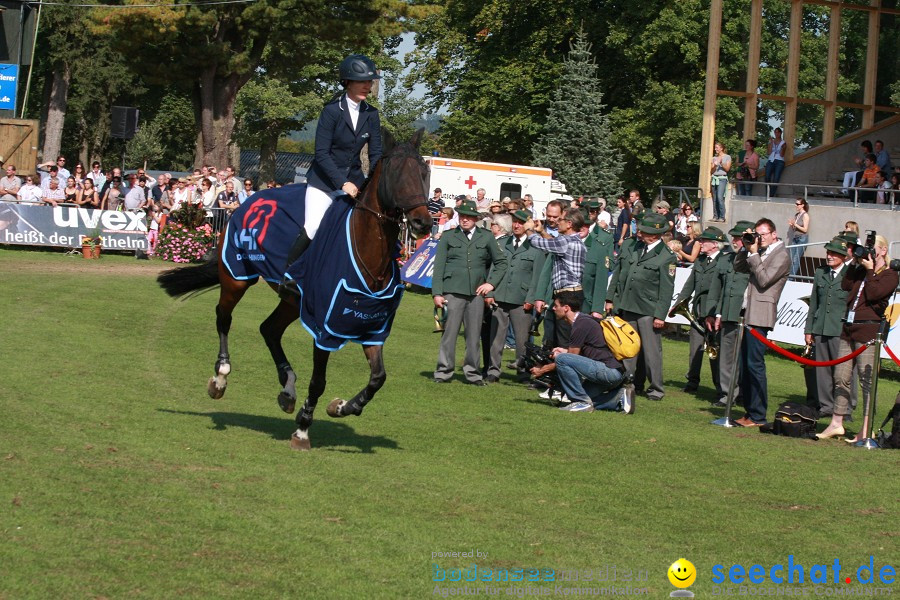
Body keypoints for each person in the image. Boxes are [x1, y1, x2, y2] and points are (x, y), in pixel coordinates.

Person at [286, 54, 383, 268]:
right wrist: (342, 182)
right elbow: (321, 153)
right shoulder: (331, 111)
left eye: (370, 81)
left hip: (355, 182)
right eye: (362, 81)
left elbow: (376, 152)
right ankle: (290, 273)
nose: (368, 86)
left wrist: (372, 183)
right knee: (313, 226)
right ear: (347, 82)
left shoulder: (372, 114)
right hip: (324, 183)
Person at [818, 235, 898, 441]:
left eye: (873, 249)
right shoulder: (860, 270)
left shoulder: (890, 274)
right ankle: (837, 423)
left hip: (869, 332)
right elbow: (845, 285)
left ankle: (866, 427)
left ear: (883, 251)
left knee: (866, 380)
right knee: (841, 377)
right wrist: (854, 263)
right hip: (849, 328)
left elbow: (874, 294)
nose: (869, 252)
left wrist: (870, 269)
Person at [432, 200, 508, 385]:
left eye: (468, 216)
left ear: (475, 218)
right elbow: (439, 266)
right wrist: (437, 293)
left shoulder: (486, 237)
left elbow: (501, 263)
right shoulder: (449, 236)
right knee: (449, 335)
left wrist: (491, 284)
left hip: (476, 294)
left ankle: (472, 373)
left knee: (473, 336)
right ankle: (444, 372)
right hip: (452, 291)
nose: (465, 220)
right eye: (462, 216)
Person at [605, 212, 676, 402]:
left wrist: (660, 315)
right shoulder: (633, 246)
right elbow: (618, 274)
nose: (640, 234)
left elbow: (666, 289)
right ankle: (628, 383)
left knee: (651, 353)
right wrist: (610, 298)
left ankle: (656, 389)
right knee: (627, 349)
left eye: (645, 232)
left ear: (656, 235)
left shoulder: (666, 257)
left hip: (648, 310)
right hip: (627, 305)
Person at [529, 291, 634, 414]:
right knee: (573, 399)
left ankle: (581, 403)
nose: (553, 308)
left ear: (566, 308)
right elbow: (578, 354)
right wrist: (563, 351)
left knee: (562, 360)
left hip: (608, 371)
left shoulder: (580, 324)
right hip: (614, 372)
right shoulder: (584, 320)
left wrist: (542, 369)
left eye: (556, 305)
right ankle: (618, 398)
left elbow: (569, 358)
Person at [733, 217, 790, 426]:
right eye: (758, 234)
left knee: (755, 365)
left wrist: (755, 253)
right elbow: (738, 267)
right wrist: (745, 247)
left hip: (761, 314)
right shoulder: (759, 251)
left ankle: (758, 414)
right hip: (749, 313)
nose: (760, 238)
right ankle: (749, 411)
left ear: (774, 234)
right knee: (745, 366)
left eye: (763, 234)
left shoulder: (781, 255)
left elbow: (765, 280)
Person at [485, 210, 546, 382]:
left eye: (521, 222)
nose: (517, 225)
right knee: (496, 338)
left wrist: (531, 298)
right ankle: (493, 371)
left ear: (528, 224)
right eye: (515, 221)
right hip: (500, 296)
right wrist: (490, 292)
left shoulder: (536, 246)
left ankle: (524, 371)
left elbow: (538, 275)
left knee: (522, 340)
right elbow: (495, 268)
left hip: (521, 299)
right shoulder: (503, 243)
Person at [670, 226, 728, 397]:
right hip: (697, 313)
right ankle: (692, 382)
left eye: (704, 241)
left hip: (713, 313)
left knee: (714, 351)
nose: (700, 243)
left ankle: (720, 387)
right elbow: (690, 284)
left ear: (715, 245)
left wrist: (717, 313)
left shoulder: (723, 262)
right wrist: (679, 302)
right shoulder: (700, 261)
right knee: (695, 349)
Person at [804, 236, 855, 418]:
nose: (829, 256)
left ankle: (845, 409)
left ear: (843, 256)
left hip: (840, 330)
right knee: (822, 372)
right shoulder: (820, 273)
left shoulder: (851, 275)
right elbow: (814, 304)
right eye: (828, 252)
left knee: (843, 373)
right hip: (820, 328)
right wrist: (808, 329)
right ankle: (826, 406)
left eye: (834, 253)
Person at [707, 221, 755, 407]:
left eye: (739, 238)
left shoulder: (756, 259)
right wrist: (713, 312)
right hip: (727, 314)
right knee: (726, 358)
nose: (734, 241)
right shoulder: (725, 259)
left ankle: (745, 393)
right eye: (734, 237)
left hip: (748, 316)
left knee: (748, 359)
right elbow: (716, 289)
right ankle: (727, 394)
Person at [529, 206, 587, 351]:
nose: (557, 222)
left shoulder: (566, 242)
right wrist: (542, 231)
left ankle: (563, 369)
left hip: (568, 295)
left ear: (569, 224)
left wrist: (529, 230)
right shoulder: (569, 241)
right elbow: (553, 243)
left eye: (561, 219)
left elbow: (540, 243)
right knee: (555, 337)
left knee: (563, 339)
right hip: (567, 293)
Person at [787, 198, 810, 275]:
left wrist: (795, 224)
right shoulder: (797, 215)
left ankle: (790, 278)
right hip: (795, 238)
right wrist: (792, 225)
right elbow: (796, 228)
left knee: (796, 259)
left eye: (797, 204)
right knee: (790, 258)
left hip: (802, 238)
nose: (796, 205)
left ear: (802, 205)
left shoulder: (805, 215)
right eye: (795, 204)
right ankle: (788, 276)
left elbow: (805, 229)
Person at [710, 142, 731, 221]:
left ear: (721, 148)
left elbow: (727, 169)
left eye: (717, 147)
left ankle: (722, 216)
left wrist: (721, 163)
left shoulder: (727, 157)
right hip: (714, 178)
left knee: (720, 197)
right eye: (715, 147)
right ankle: (715, 216)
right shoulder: (714, 158)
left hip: (722, 179)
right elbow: (711, 171)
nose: (715, 149)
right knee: (715, 198)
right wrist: (715, 166)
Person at [765, 127, 787, 196]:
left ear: (780, 133)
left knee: (776, 178)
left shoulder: (783, 142)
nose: (776, 134)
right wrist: (771, 143)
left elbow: (781, 154)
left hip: (779, 161)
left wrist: (783, 148)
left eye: (778, 132)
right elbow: (768, 152)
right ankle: (768, 192)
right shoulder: (772, 141)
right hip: (771, 160)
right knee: (767, 177)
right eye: (775, 132)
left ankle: (771, 195)